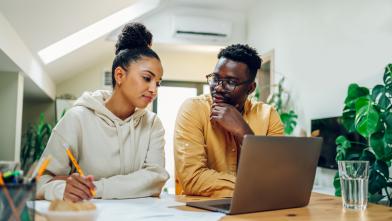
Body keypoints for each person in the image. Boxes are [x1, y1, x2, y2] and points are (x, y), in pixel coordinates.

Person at [37, 22, 169, 201]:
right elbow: (39, 182)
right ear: (119, 75)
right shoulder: (77, 119)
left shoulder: (153, 124)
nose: (154, 89)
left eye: (158, 83)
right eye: (147, 78)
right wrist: (63, 189)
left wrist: (92, 189)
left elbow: (155, 179)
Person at [174, 44, 284, 197]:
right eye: (215, 78)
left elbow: (277, 176)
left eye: (231, 82)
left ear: (251, 88)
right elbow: (192, 179)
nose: (218, 88)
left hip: (256, 210)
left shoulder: (269, 116)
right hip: (203, 211)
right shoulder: (193, 109)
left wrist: (244, 133)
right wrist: (256, 188)